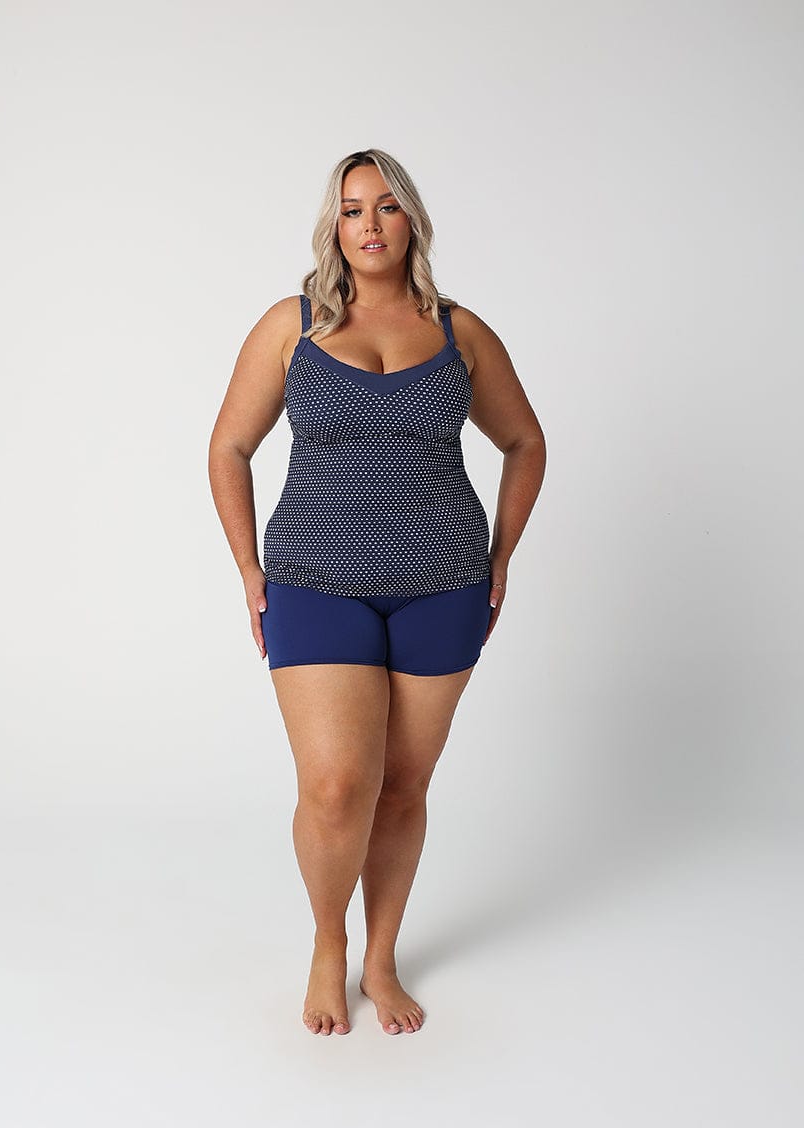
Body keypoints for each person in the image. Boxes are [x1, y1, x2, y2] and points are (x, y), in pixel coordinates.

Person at [208, 148, 546, 1037]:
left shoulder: (461, 333)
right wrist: (248, 568)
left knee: (402, 786)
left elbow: (525, 441)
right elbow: (228, 447)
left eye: (387, 207)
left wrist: (500, 557)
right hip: (315, 583)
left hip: (443, 585)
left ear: (411, 223)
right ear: (334, 226)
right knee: (335, 786)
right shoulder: (292, 326)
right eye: (353, 209)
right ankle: (330, 942)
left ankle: (382, 957)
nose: (370, 224)